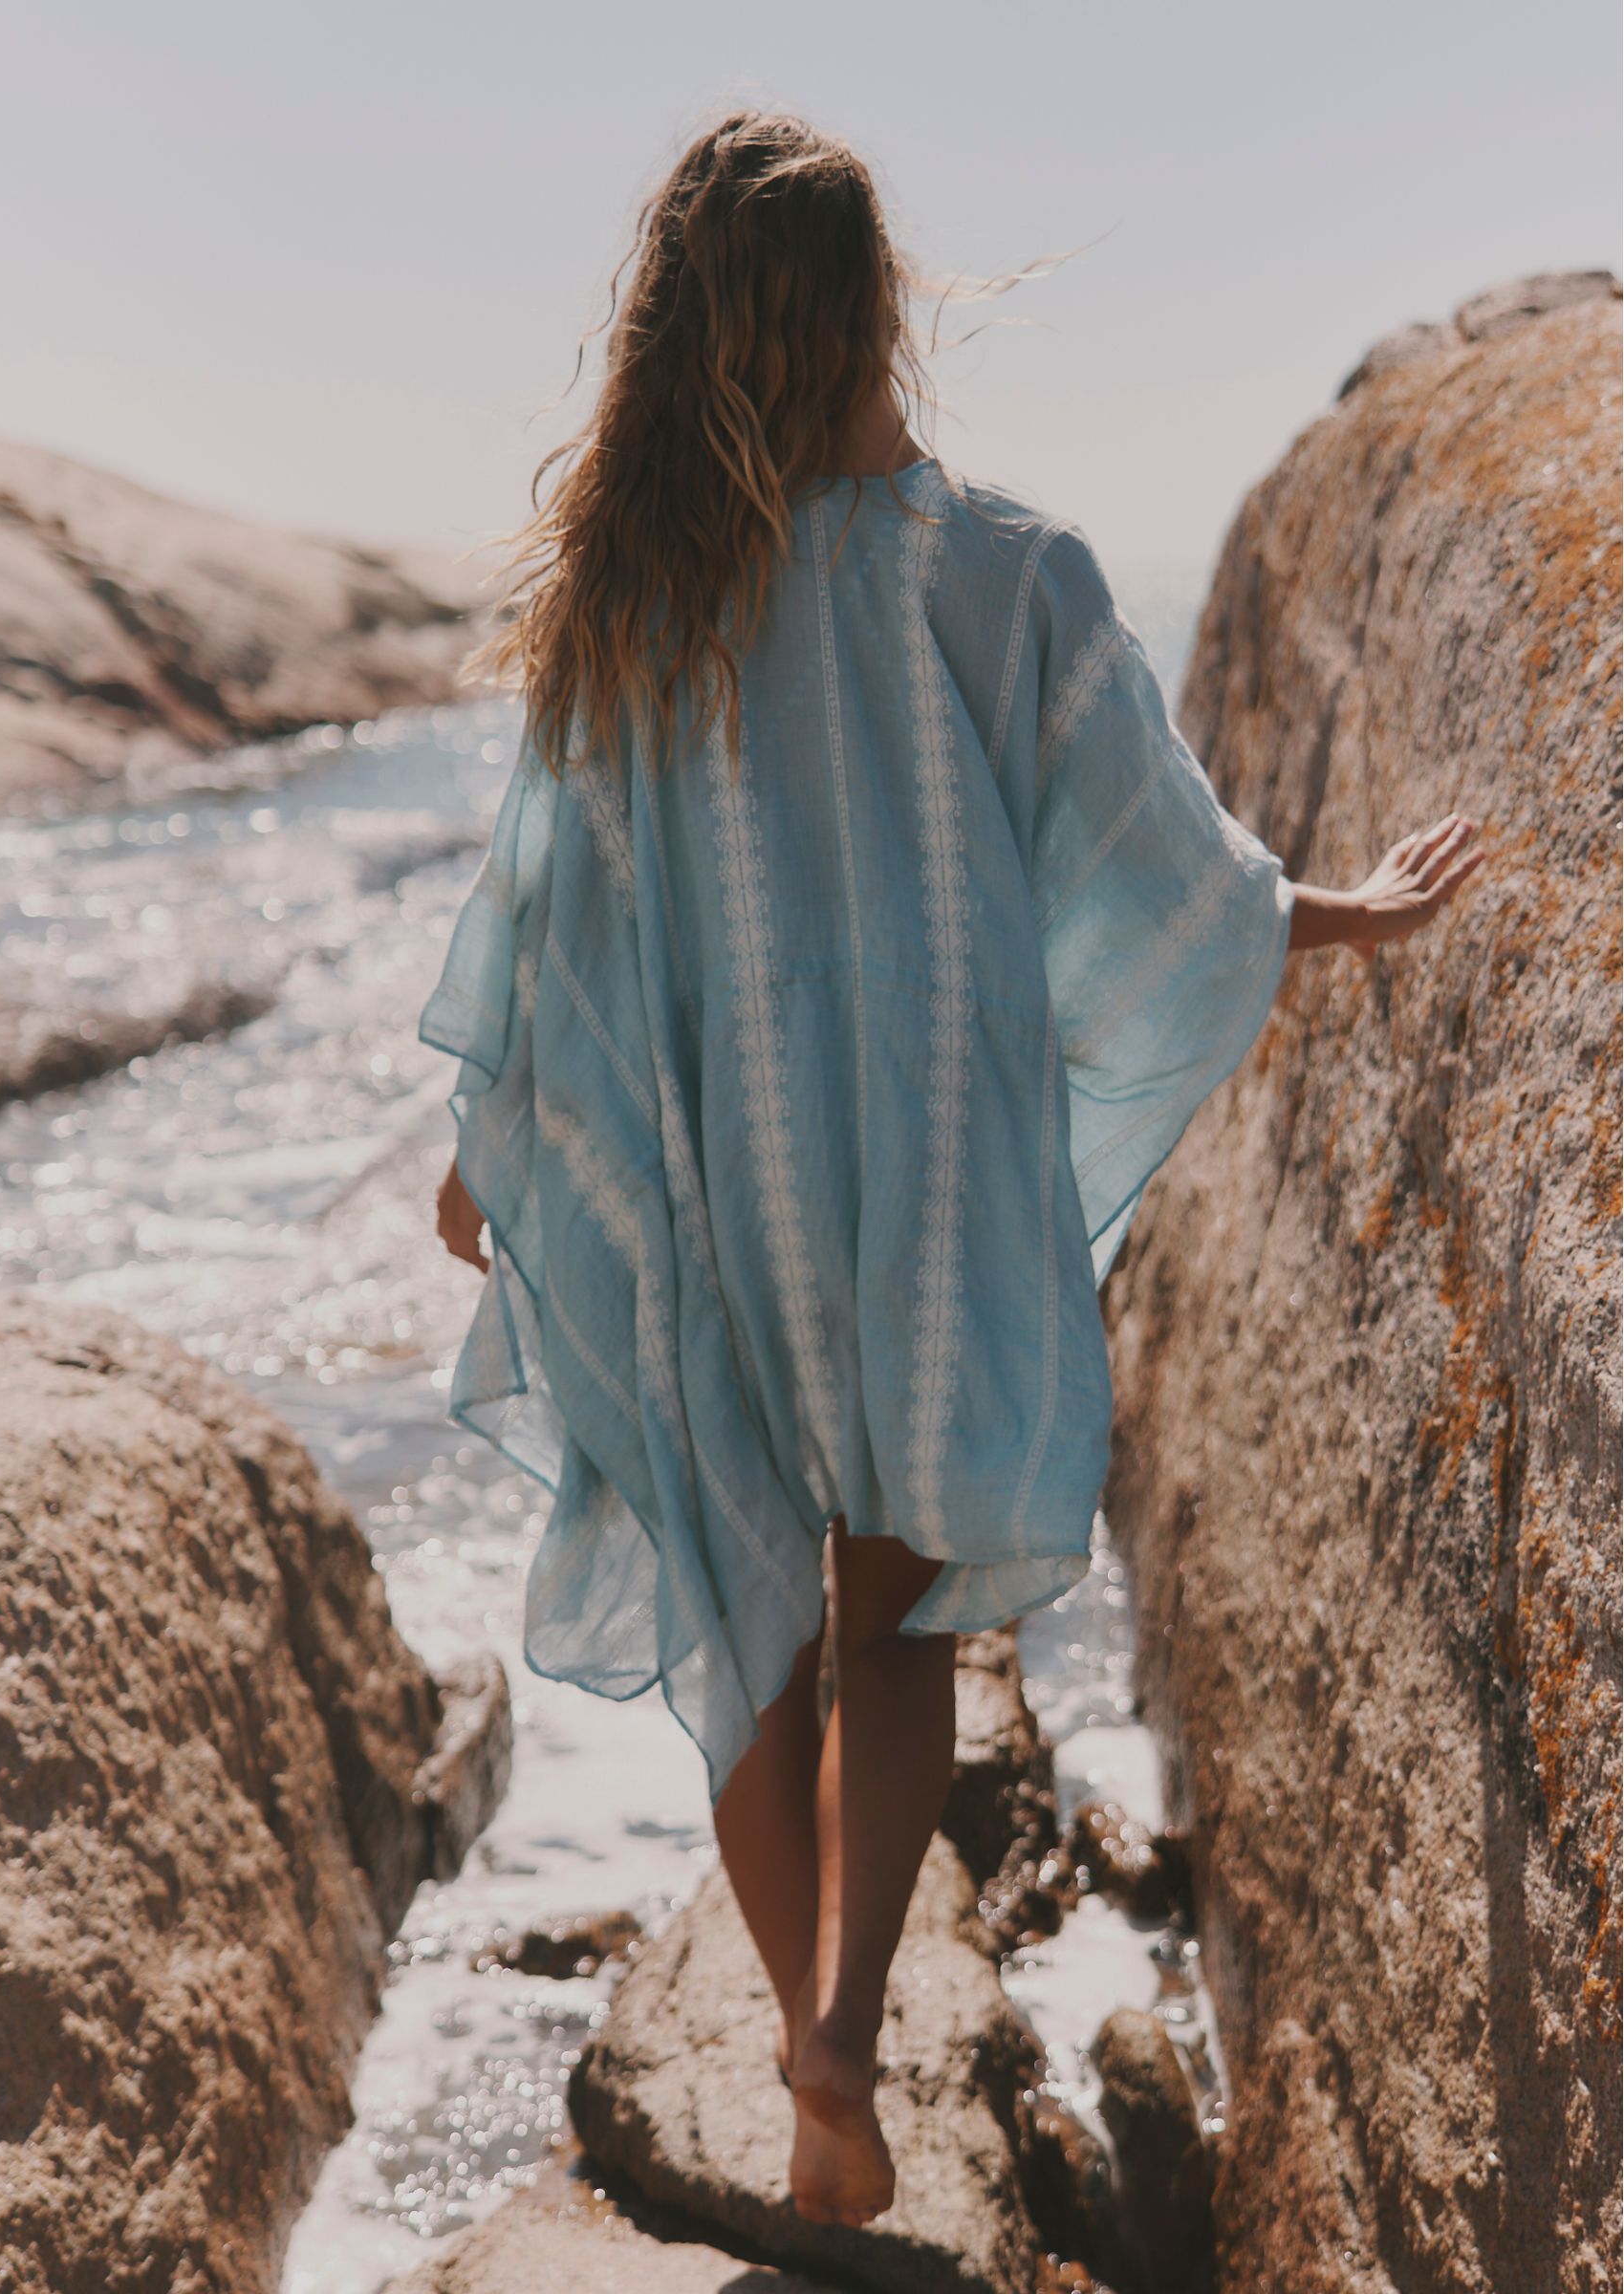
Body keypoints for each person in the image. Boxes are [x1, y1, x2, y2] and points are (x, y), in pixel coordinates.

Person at [420, 111, 1483, 2232]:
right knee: (893, 1627)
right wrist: (1339, 916)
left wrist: (497, 1167)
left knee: (749, 1623)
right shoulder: (1005, 571)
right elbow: (1163, 888)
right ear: (876, 310)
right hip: (915, 1202)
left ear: (681, 334)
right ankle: (838, 2017)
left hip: (711, 1196)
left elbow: (551, 928)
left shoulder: (625, 619)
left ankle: (815, 2060)